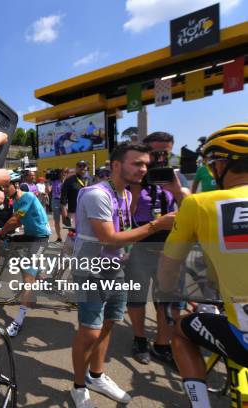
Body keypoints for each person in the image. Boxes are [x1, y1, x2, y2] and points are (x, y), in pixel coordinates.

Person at [69, 143, 175, 408]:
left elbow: (123, 232)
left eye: (146, 164)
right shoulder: (97, 194)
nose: (143, 169)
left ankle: (97, 376)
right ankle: (79, 387)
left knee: (108, 323)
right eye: (137, 163)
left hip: (115, 269)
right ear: (116, 165)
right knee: (90, 332)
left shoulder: (126, 195)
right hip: (90, 269)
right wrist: (156, 226)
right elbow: (109, 238)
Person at [157, 123, 248, 408]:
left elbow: (168, 269)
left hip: (242, 334)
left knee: (181, 330)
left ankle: (200, 405)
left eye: (211, 165)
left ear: (223, 162)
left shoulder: (199, 204)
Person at [125, 131, 190, 366]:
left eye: (166, 152)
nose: (161, 157)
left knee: (166, 299)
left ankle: (162, 345)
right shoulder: (133, 178)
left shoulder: (177, 177)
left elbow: (191, 210)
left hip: (171, 248)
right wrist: (134, 188)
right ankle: (140, 339)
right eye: (156, 152)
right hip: (141, 246)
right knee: (136, 297)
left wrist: (176, 192)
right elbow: (125, 217)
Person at [0, 178, 51, 337]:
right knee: (9, 243)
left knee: (28, 278)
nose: (3, 191)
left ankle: (18, 321)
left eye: (5, 188)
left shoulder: (28, 197)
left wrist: (1, 232)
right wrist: (4, 233)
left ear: (15, 185)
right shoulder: (15, 202)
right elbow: (17, 222)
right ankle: (40, 276)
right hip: (30, 235)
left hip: (40, 238)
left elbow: (15, 220)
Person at [61, 160, 90, 227]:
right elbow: (63, 199)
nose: (82, 168)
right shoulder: (69, 180)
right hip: (73, 213)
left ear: (86, 168)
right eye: (80, 166)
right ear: (76, 168)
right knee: (73, 235)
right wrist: (65, 216)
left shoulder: (89, 180)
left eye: (84, 166)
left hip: (88, 212)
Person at [50, 168, 68, 242]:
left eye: (65, 173)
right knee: (56, 220)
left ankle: (70, 236)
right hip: (56, 201)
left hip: (64, 202)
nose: (64, 174)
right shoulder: (54, 182)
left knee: (67, 220)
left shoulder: (67, 182)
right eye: (62, 173)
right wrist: (47, 183)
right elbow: (48, 190)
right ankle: (59, 237)